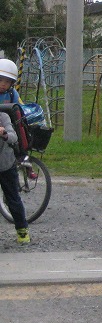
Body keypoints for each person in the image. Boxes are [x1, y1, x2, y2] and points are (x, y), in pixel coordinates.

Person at [0, 61, 30, 245]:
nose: (3, 84)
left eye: (6, 81)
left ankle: (22, 230)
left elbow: (13, 137)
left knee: (13, 198)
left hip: (5, 162)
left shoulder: (4, 114)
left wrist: (3, 133)